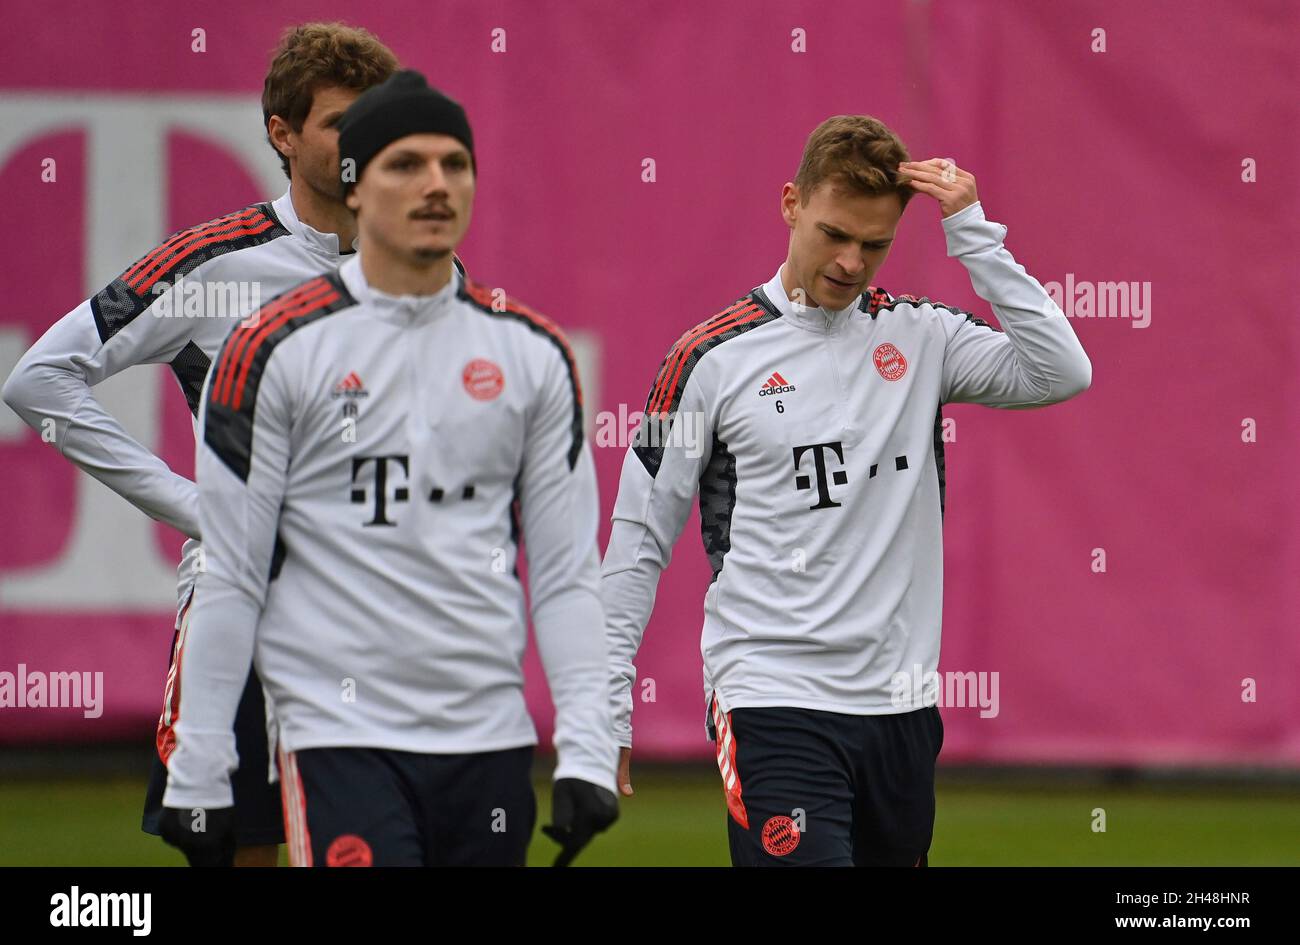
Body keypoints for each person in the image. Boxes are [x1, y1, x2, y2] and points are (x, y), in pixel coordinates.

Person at [602, 115, 1092, 866]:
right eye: (835, 233)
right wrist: (603, 707)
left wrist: (972, 232)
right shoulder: (707, 359)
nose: (850, 261)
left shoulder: (923, 338)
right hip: (772, 698)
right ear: (791, 203)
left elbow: (1062, 370)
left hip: (900, 708)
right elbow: (637, 542)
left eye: (875, 244)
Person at [160, 70, 618, 867]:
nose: (436, 184)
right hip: (339, 736)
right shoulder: (270, 348)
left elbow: (566, 574)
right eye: (405, 164)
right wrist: (200, 767)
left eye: (455, 163)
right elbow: (233, 575)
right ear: (357, 186)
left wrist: (586, 744)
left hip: (490, 741)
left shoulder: (535, 355)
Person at [1, 22, 402, 866]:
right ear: (283, 135)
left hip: (382, 622)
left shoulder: (424, 269)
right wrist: (197, 510)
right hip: (247, 613)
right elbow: (38, 379)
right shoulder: (216, 263)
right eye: (339, 122)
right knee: (242, 852)